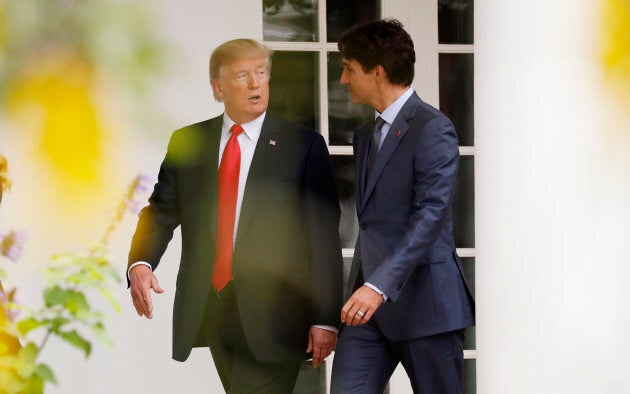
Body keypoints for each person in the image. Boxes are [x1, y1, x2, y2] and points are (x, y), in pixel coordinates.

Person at [127, 38, 343, 393]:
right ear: (218, 87)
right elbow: (162, 211)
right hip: (213, 312)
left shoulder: (303, 146)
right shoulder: (189, 141)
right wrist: (141, 264)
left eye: (261, 73)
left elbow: (322, 238)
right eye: (243, 75)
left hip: (278, 318)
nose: (256, 84)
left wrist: (325, 317)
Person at [330, 19, 475, 393]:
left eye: (349, 69)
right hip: (368, 314)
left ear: (377, 72)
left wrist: (378, 286)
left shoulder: (433, 128)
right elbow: (373, 223)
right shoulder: (365, 135)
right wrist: (363, 287)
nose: (343, 80)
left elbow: (430, 216)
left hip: (426, 307)